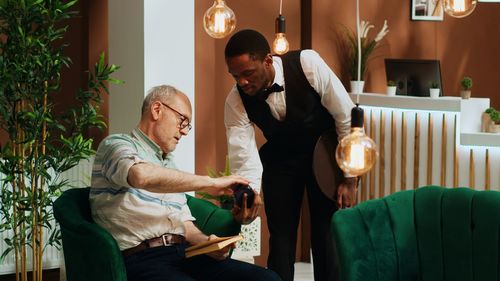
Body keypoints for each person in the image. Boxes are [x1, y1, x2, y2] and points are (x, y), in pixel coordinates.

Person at [89, 85, 281, 281]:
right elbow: (140, 176)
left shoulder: (169, 165)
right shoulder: (115, 145)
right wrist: (210, 183)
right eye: (183, 121)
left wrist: (208, 243)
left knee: (267, 278)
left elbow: (184, 225)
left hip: (185, 254)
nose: (185, 131)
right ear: (157, 110)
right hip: (141, 258)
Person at [223, 29, 358, 281]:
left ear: (267, 60)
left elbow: (345, 116)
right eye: (235, 76)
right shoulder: (236, 100)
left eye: (248, 73)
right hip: (281, 160)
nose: (242, 82)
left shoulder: (308, 63)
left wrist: (349, 177)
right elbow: (244, 156)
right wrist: (248, 196)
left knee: (326, 236)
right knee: (281, 238)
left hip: (324, 155)